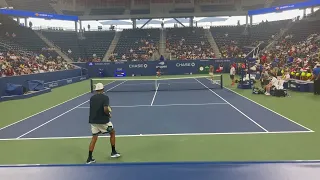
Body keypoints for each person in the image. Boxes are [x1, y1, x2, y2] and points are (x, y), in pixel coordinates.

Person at [86, 83, 120, 164]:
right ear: (102, 89)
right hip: (103, 122)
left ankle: (89, 158)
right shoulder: (105, 97)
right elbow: (105, 109)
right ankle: (113, 152)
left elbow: (96, 108)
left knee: (94, 138)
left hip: (93, 122)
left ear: (96, 90)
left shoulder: (92, 98)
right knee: (112, 132)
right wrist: (109, 114)